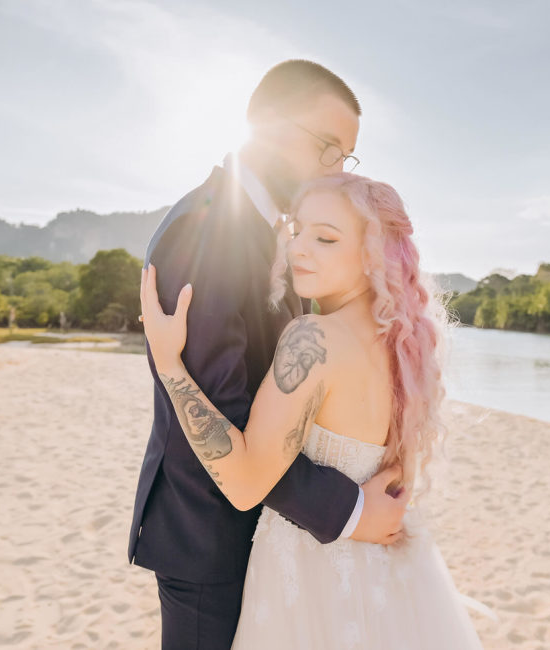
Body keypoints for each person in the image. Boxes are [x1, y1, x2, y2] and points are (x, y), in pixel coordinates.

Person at [127, 60, 410, 649]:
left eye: (346, 156)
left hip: (253, 533)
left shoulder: (268, 230)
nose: (336, 169)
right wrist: (352, 510)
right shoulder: (211, 229)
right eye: (329, 148)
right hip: (210, 537)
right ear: (268, 126)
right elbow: (224, 411)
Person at [141, 172, 484, 648]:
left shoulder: (313, 337)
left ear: (374, 256)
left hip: (307, 579)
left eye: (325, 238)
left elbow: (243, 484)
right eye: (297, 230)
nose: (298, 248)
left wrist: (169, 363)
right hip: (387, 577)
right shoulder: (405, 349)